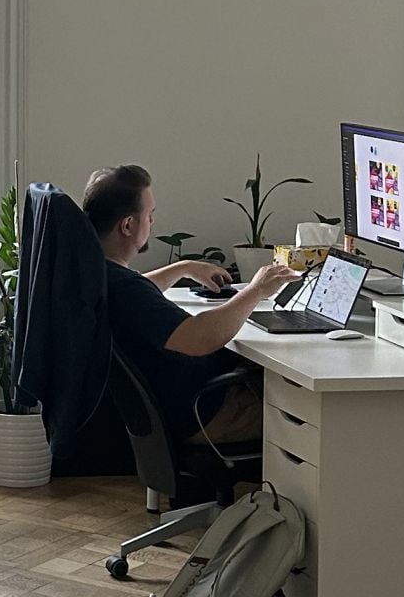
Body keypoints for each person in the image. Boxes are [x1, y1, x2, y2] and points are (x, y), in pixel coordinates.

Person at [80, 163, 294, 445]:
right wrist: (256, 290)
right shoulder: (125, 289)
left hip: (174, 409)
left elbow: (137, 293)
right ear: (128, 225)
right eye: (149, 215)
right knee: (306, 415)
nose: (152, 222)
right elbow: (201, 337)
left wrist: (183, 268)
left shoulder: (97, 276)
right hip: (203, 414)